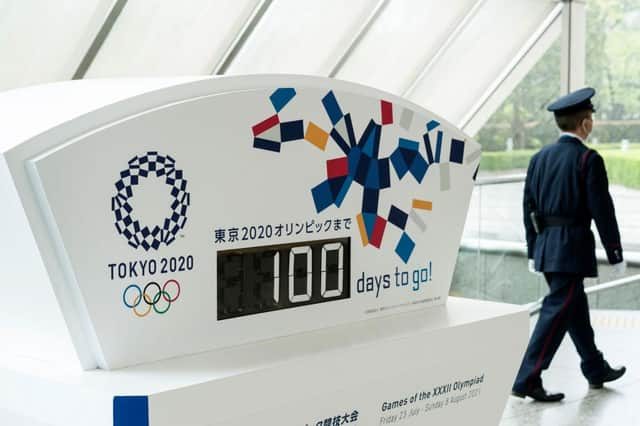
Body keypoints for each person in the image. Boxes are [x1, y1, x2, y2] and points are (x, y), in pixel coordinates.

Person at [511, 87, 627, 402]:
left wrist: (533, 248)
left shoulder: (538, 159)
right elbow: (602, 209)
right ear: (585, 124)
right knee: (556, 310)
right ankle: (526, 377)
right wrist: (615, 253)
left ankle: (594, 368)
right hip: (572, 249)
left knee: (574, 309)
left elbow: (528, 208)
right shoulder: (588, 159)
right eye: (591, 118)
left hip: (548, 248)